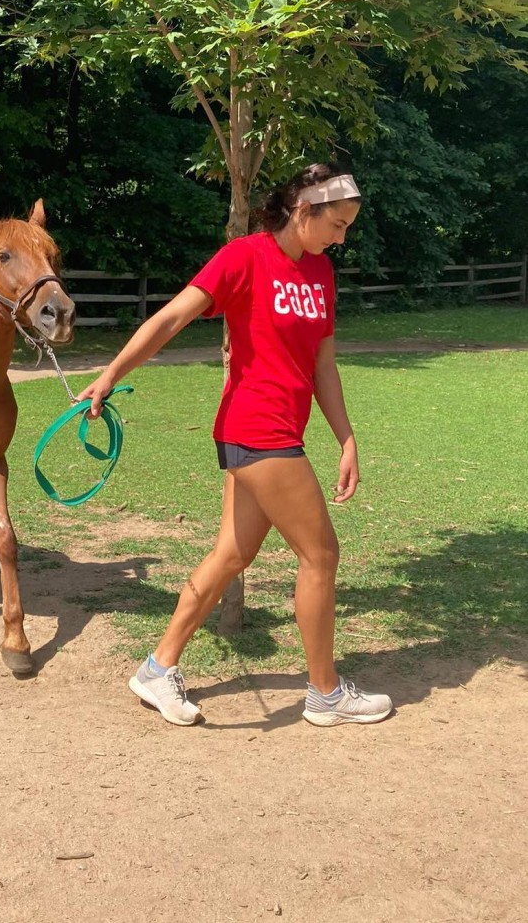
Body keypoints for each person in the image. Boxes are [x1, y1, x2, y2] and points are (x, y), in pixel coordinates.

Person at [79, 164, 393, 728]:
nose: (342, 238)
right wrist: (110, 374)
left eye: (348, 227)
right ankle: (325, 694)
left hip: (278, 430)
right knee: (321, 554)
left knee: (231, 554)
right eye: (338, 225)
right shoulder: (243, 257)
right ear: (305, 211)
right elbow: (171, 318)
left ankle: (157, 669)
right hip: (257, 428)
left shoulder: (320, 272)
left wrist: (346, 438)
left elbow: (323, 364)